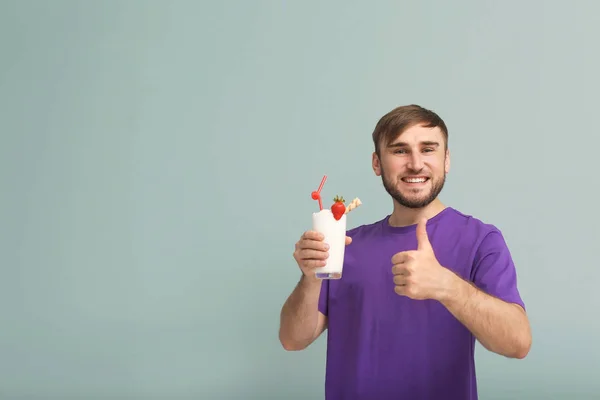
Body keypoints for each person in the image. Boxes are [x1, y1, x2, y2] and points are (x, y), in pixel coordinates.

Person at [278, 104, 532, 400]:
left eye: (428, 149)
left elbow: (518, 343)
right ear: (377, 163)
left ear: (446, 159)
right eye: (399, 151)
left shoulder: (481, 240)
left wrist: (447, 286)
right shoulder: (346, 246)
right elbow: (292, 340)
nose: (415, 164)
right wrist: (311, 277)